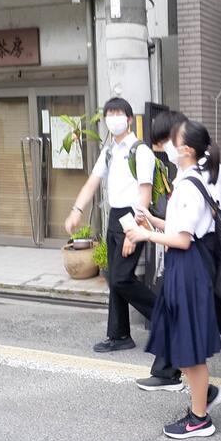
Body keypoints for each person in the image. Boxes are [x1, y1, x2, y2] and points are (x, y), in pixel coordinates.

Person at [135, 112, 221, 391]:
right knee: (182, 305)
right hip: (199, 244)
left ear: (182, 144)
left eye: (166, 142)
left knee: (214, 307)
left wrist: (154, 232)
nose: (164, 148)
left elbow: (197, 222)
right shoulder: (194, 166)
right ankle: (168, 370)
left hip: (206, 247)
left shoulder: (202, 169)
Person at [125, 120, 221, 439]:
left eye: (173, 140)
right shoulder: (189, 179)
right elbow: (180, 227)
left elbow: (183, 239)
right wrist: (152, 220)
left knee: (188, 345)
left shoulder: (189, 184)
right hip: (185, 268)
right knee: (181, 340)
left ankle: (200, 419)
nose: (167, 144)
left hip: (188, 268)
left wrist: (145, 234)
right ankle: (202, 395)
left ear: (186, 149)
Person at [64, 97, 157, 353]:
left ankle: (168, 316)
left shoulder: (140, 151)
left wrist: (134, 231)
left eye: (118, 114)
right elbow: (92, 183)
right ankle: (119, 335)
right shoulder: (108, 151)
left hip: (134, 217)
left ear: (129, 119)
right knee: (114, 278)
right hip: (115, 216)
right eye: (109, 114)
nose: (113, 119)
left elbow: (145, 195)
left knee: (121, 279)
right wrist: (76, 211)